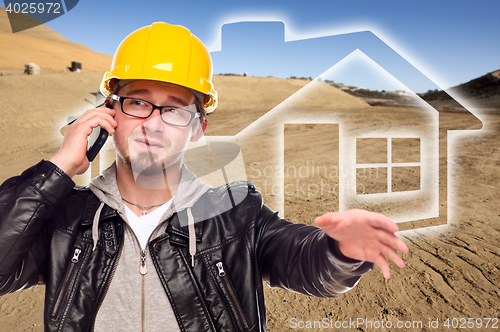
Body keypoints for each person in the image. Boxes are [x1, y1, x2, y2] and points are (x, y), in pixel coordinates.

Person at [0, 22, 408, 331]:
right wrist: (57, 170)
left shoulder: (235, 215)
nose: (154, 124)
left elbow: (306, 263)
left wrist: (339, 251)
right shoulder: (65, 220)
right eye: (138, 102)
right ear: (110, 113)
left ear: (197, 128)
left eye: (175, 109)